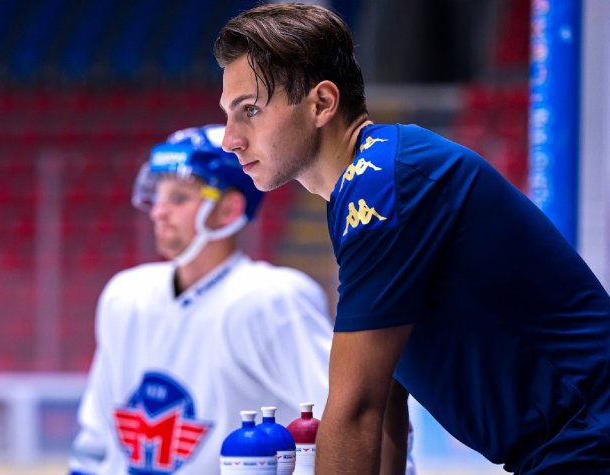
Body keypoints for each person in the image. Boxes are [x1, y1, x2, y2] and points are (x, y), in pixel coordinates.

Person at [213, 3, 610, 475]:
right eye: (229, 115)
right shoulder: (368, 180)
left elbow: (356, 408)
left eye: (250, 110)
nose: (230, 139)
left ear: (321, 104)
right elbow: (383, 399)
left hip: (590, 442)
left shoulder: (384, 185)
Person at [67, 124, 334, 475]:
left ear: (228, 210)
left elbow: (341, 417)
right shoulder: (125, 297)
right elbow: (97, 440)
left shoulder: (271, 301)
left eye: (179, 198)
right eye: (158, 196)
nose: (158, 212)